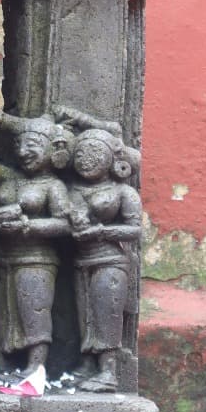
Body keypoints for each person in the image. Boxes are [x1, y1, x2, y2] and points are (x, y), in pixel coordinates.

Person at [0, 111, 72, 371]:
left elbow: (64, 224)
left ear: (51, 150)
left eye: (32, 145)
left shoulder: (52, 186)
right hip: (5, 257)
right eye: (19, 145)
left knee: (34, 311)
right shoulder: (10, 178)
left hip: (36, 257)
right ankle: (3, 360)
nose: (23, 152)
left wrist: (26, 226)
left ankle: (36, 367)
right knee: (4, 314)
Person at [62, 116, 142, 392]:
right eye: (81, 154)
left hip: (111, 260)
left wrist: (101, 232)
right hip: (81, 260)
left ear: (112, 160)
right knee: (85, 315)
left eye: (95, 153)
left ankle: (108, 371)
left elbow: (134, 230)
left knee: (106, 313)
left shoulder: (123, 192)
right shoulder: (70, 190)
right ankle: (88, 364)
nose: (87, 160)